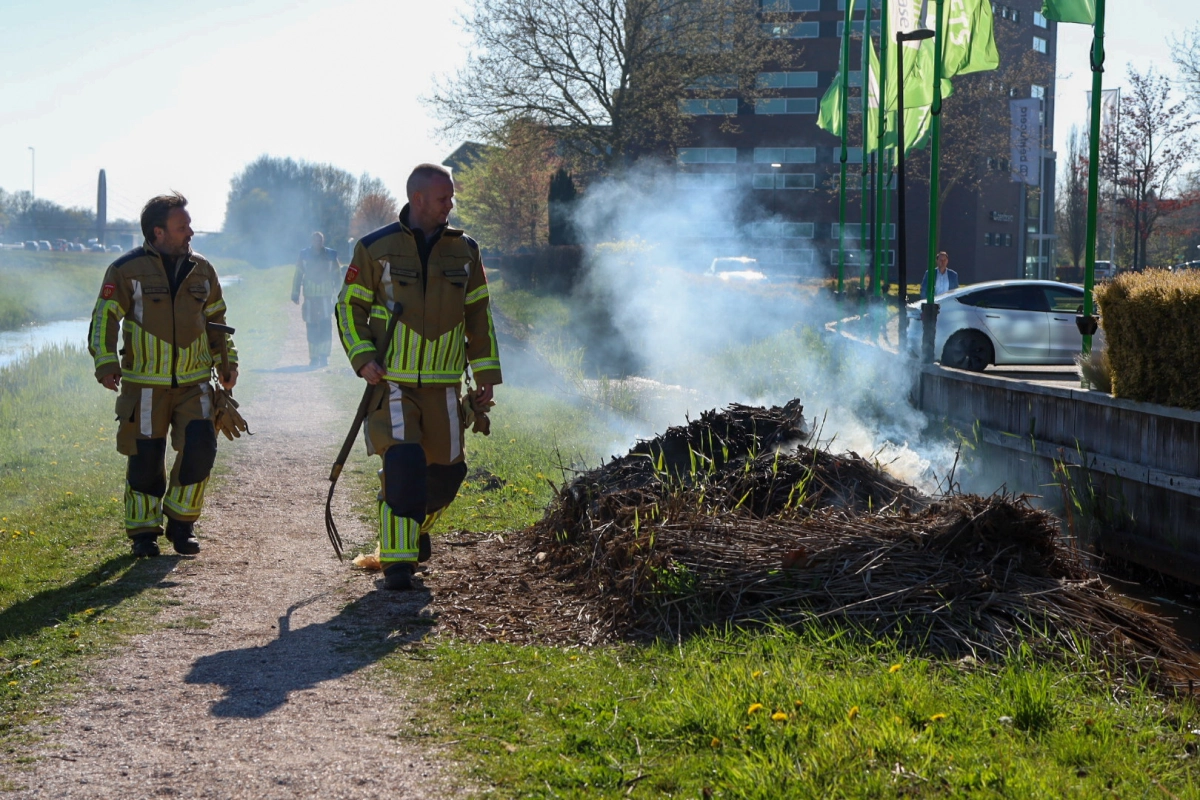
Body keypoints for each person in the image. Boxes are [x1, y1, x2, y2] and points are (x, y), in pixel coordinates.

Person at [336, 164, 501, 590]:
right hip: (392, 383)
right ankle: (397, 563)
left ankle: (412, 527)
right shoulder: (375, 248)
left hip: (445, 386)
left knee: (447, 475)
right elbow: (348, 306)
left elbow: (479, 315)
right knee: (405, 463)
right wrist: (362, 357)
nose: (451, 205)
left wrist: (485, 377)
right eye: (444, 197)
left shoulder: (466, 250)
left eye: (452, 197)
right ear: (419, 199)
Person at [88, 193, 238, 557]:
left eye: (188, 225)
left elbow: (217, 320)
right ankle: (144, 533)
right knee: (145, 460)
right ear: (158, 232)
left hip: (195, 384)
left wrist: (227, 361)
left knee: (201, 449)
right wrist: (106, 364)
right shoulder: (125, 270)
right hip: (144, 387)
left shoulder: (203, 269)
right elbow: (104, 318)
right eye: (182, 226)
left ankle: (182, 525)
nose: (190, 232)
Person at [292, 231, 342, 367]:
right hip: (310, 297)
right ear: (311, 241)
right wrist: (295, 293)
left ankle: (324, 356)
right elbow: (298, 274)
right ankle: (314, 358)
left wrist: (339, 294)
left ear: (322, 241)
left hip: (326, 297)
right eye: (315, 240)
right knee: (312, 326)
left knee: (326, 325)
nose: (317, 243)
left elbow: (337, 276)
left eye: (319, 240)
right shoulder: (304, 255)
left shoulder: (331, 256)